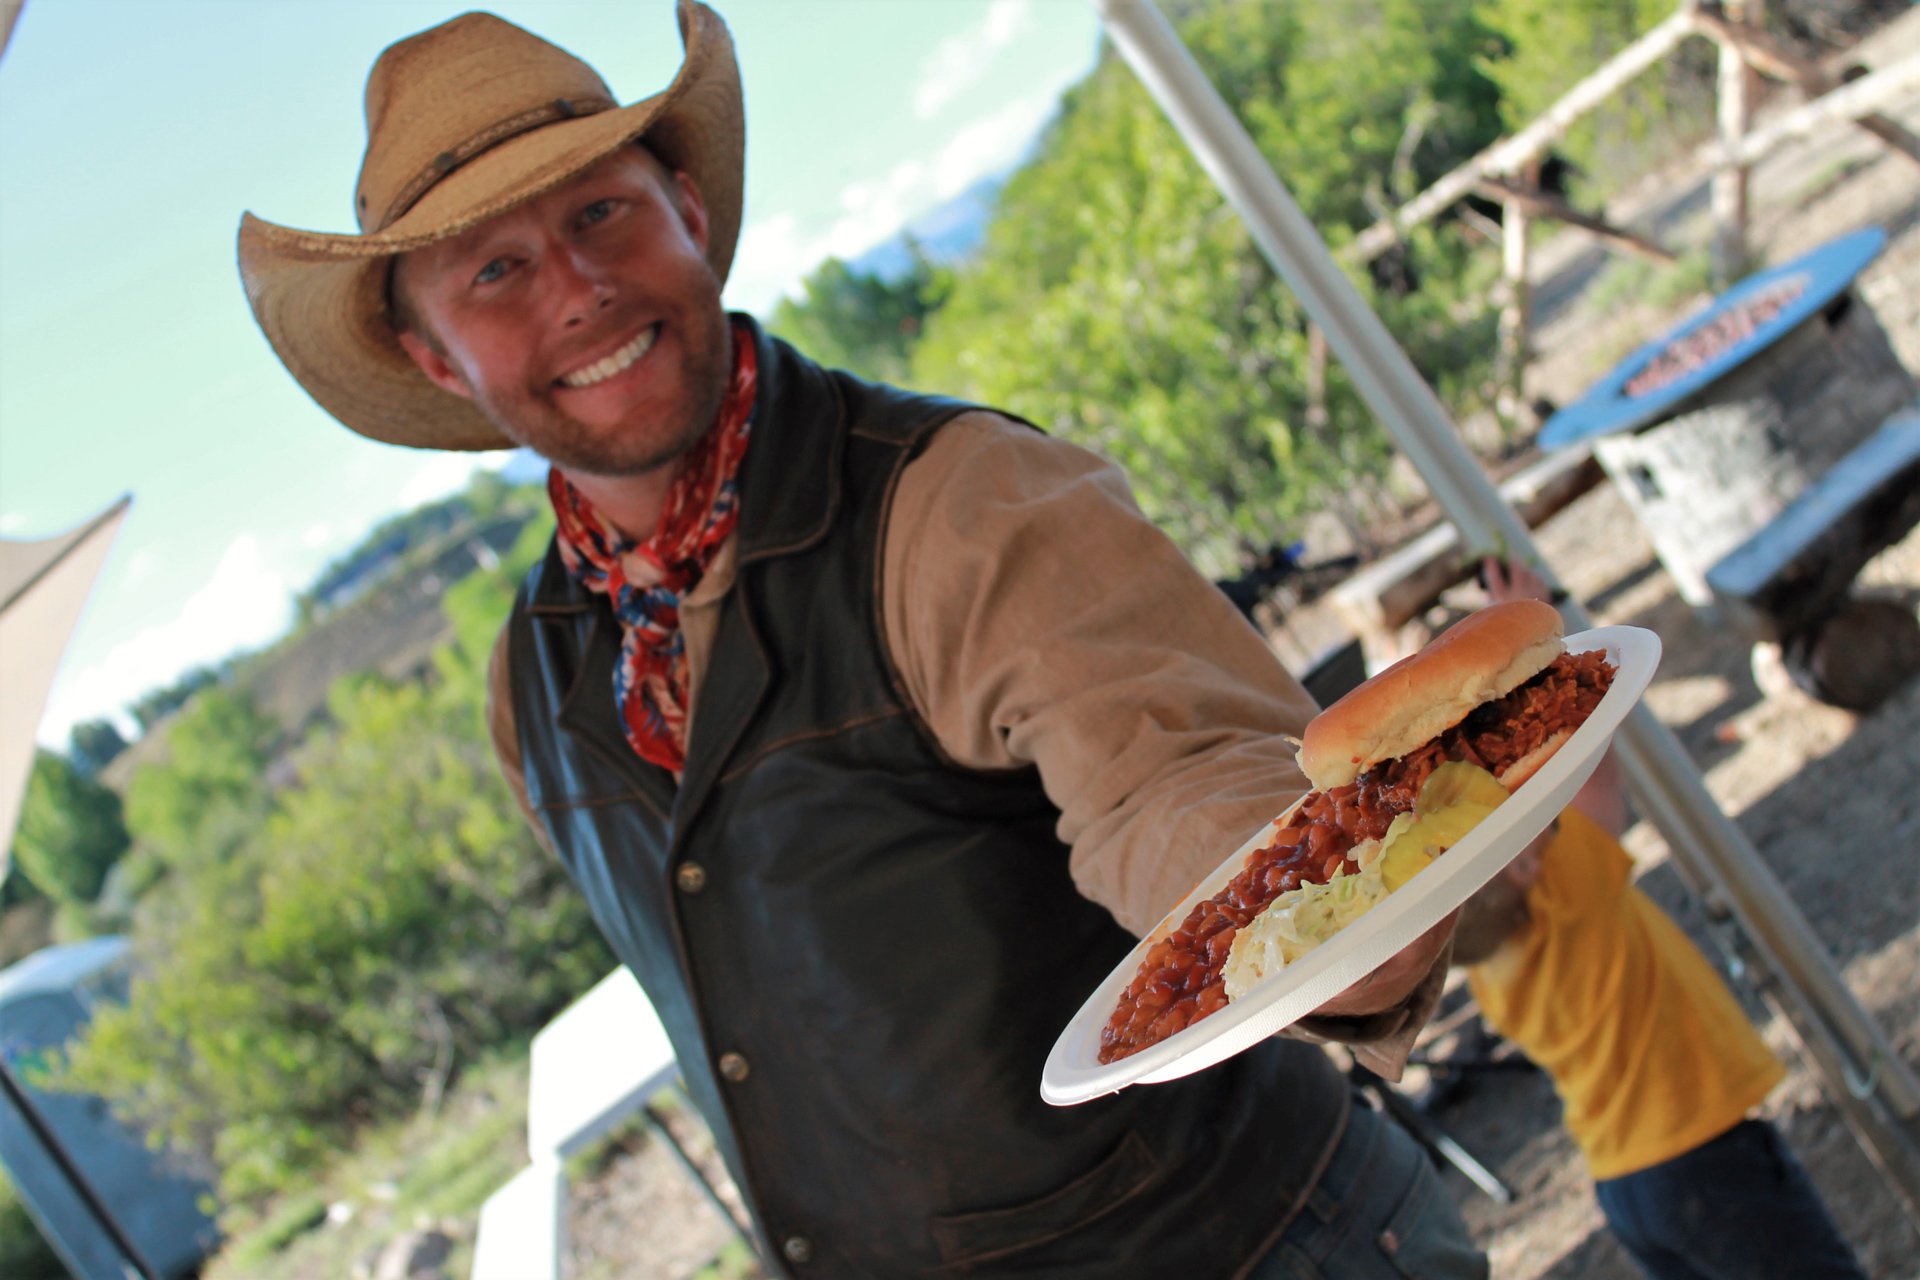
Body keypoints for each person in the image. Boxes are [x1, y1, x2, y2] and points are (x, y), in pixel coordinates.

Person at [236, 5, 1483, 1275]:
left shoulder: (953, 499)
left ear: (687, 210)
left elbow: (1173, 774)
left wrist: (1314, 910)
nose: (576, 287)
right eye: (493, 272)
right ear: (436, 359)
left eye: (599, 212)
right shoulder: (532, 677)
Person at [1453, 560, 1867, 1280]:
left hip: (1626, 1184)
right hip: (1700, 1158)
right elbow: (1593, 755)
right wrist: (1537, 638)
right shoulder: (1566, 893)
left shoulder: (1489, 964)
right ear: (1518, 869)